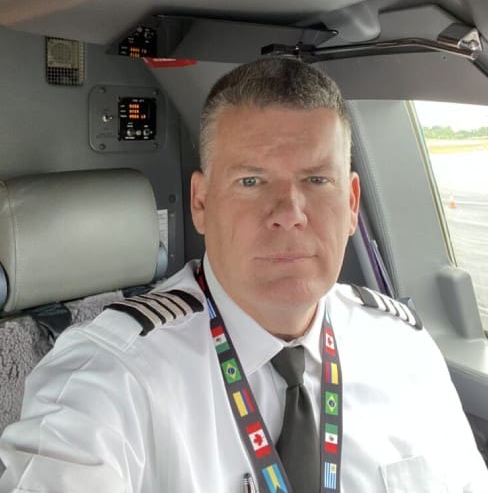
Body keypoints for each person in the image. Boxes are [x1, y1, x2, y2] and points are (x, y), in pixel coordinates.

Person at [0, 57, 486, 493]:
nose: (289, 213)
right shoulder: (109, 380)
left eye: (317, 180)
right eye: (251, 181)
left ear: (352, 203)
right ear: (201, 204)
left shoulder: (407, 350)